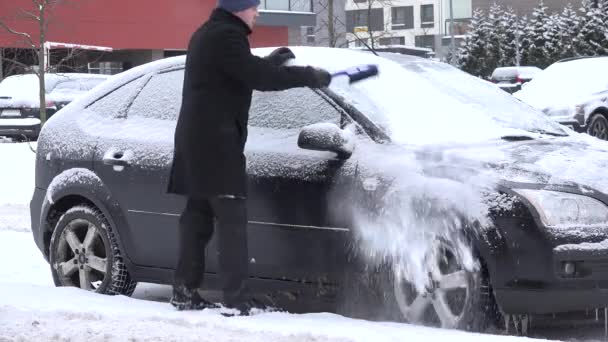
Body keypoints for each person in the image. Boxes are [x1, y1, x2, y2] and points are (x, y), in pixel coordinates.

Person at [166, 0, 333, 315]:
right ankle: (236, 299)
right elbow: (258, 78)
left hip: (198, 141)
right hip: (217, 144)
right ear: (237, 8)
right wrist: (308, 75)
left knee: (198, 219)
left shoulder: (210, 33)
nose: (257, 12)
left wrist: (268, 61)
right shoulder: (226, 36)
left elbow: (238, 70)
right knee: (232, 222)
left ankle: (184, 290)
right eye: (253, 6)